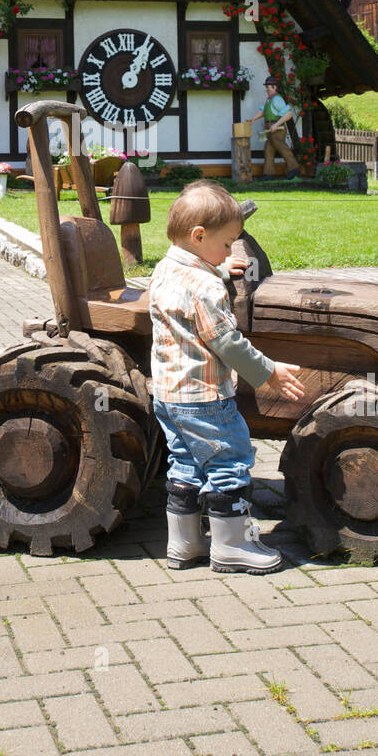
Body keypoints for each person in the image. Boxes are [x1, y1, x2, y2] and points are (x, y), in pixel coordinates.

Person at [148, 181, 305, 574]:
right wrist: (268, 372)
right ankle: (232, 545)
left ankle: (184, 545)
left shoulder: (165, 270)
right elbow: (228, 343)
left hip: (168, 397)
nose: (232, 252)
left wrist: (216, 267)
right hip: (205, 398)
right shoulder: (206, 289)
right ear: (199, 236)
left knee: (184, 463)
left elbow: (189, 289)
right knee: (229, 462)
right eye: (226, 244)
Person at [261, 75, 301, 179]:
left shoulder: (277, 99)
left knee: (282, 148)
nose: (266, 89)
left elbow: (288, 115)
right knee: (268, 150)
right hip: (270, 129)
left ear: (274, 87)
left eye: (268, 87)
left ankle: (294, 168)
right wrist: (252, 120)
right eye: (266, 87)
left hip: (277, 129)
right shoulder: (269, 100)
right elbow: (262, 112)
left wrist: (276, 125)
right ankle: (269, 174)